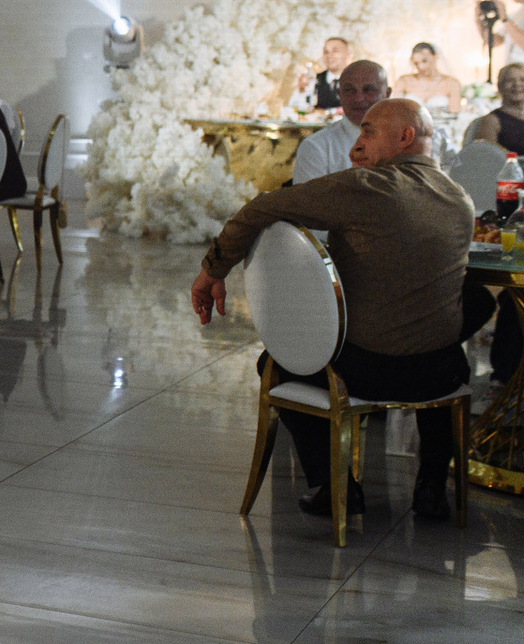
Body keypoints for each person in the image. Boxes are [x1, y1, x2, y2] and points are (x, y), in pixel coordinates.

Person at [190, 99, 478, 522]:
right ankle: (431, 486)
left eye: (368, 131)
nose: (356, 144)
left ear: (405, 137)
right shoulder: (459, 198)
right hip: (441, 375)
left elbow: (263, 206)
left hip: (366, 372)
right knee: (464, 314)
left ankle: (334, 486)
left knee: (275, 364)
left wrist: (212, 269)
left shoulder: (368, 187)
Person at [292, 60, 389, 184]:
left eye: (369, 90)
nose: (359, 98)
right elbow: (309, 196)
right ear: (340, 94)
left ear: (387, 94)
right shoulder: (317, 147)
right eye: (350, 90)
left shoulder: (402, 142)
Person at [393, 42, 463, 114]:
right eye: (416, 63)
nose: (421, 67)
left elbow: (455, 112)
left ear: (435, 57)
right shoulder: (404, 81)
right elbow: (394, 109)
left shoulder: (452, 83)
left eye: (425, 61)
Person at [470, 62, 524, 153]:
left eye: (522, 80)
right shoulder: (492, 121)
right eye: (510, 80)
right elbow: (486, 155)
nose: (517, 84)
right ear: (500, 86)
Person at [292, 36, 352, 112]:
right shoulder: (313, 80)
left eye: (335, 51)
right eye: (326, 52)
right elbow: (296, 108)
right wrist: (301, 90)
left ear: (348, 53)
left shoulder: (358, 80)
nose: (329, 55)